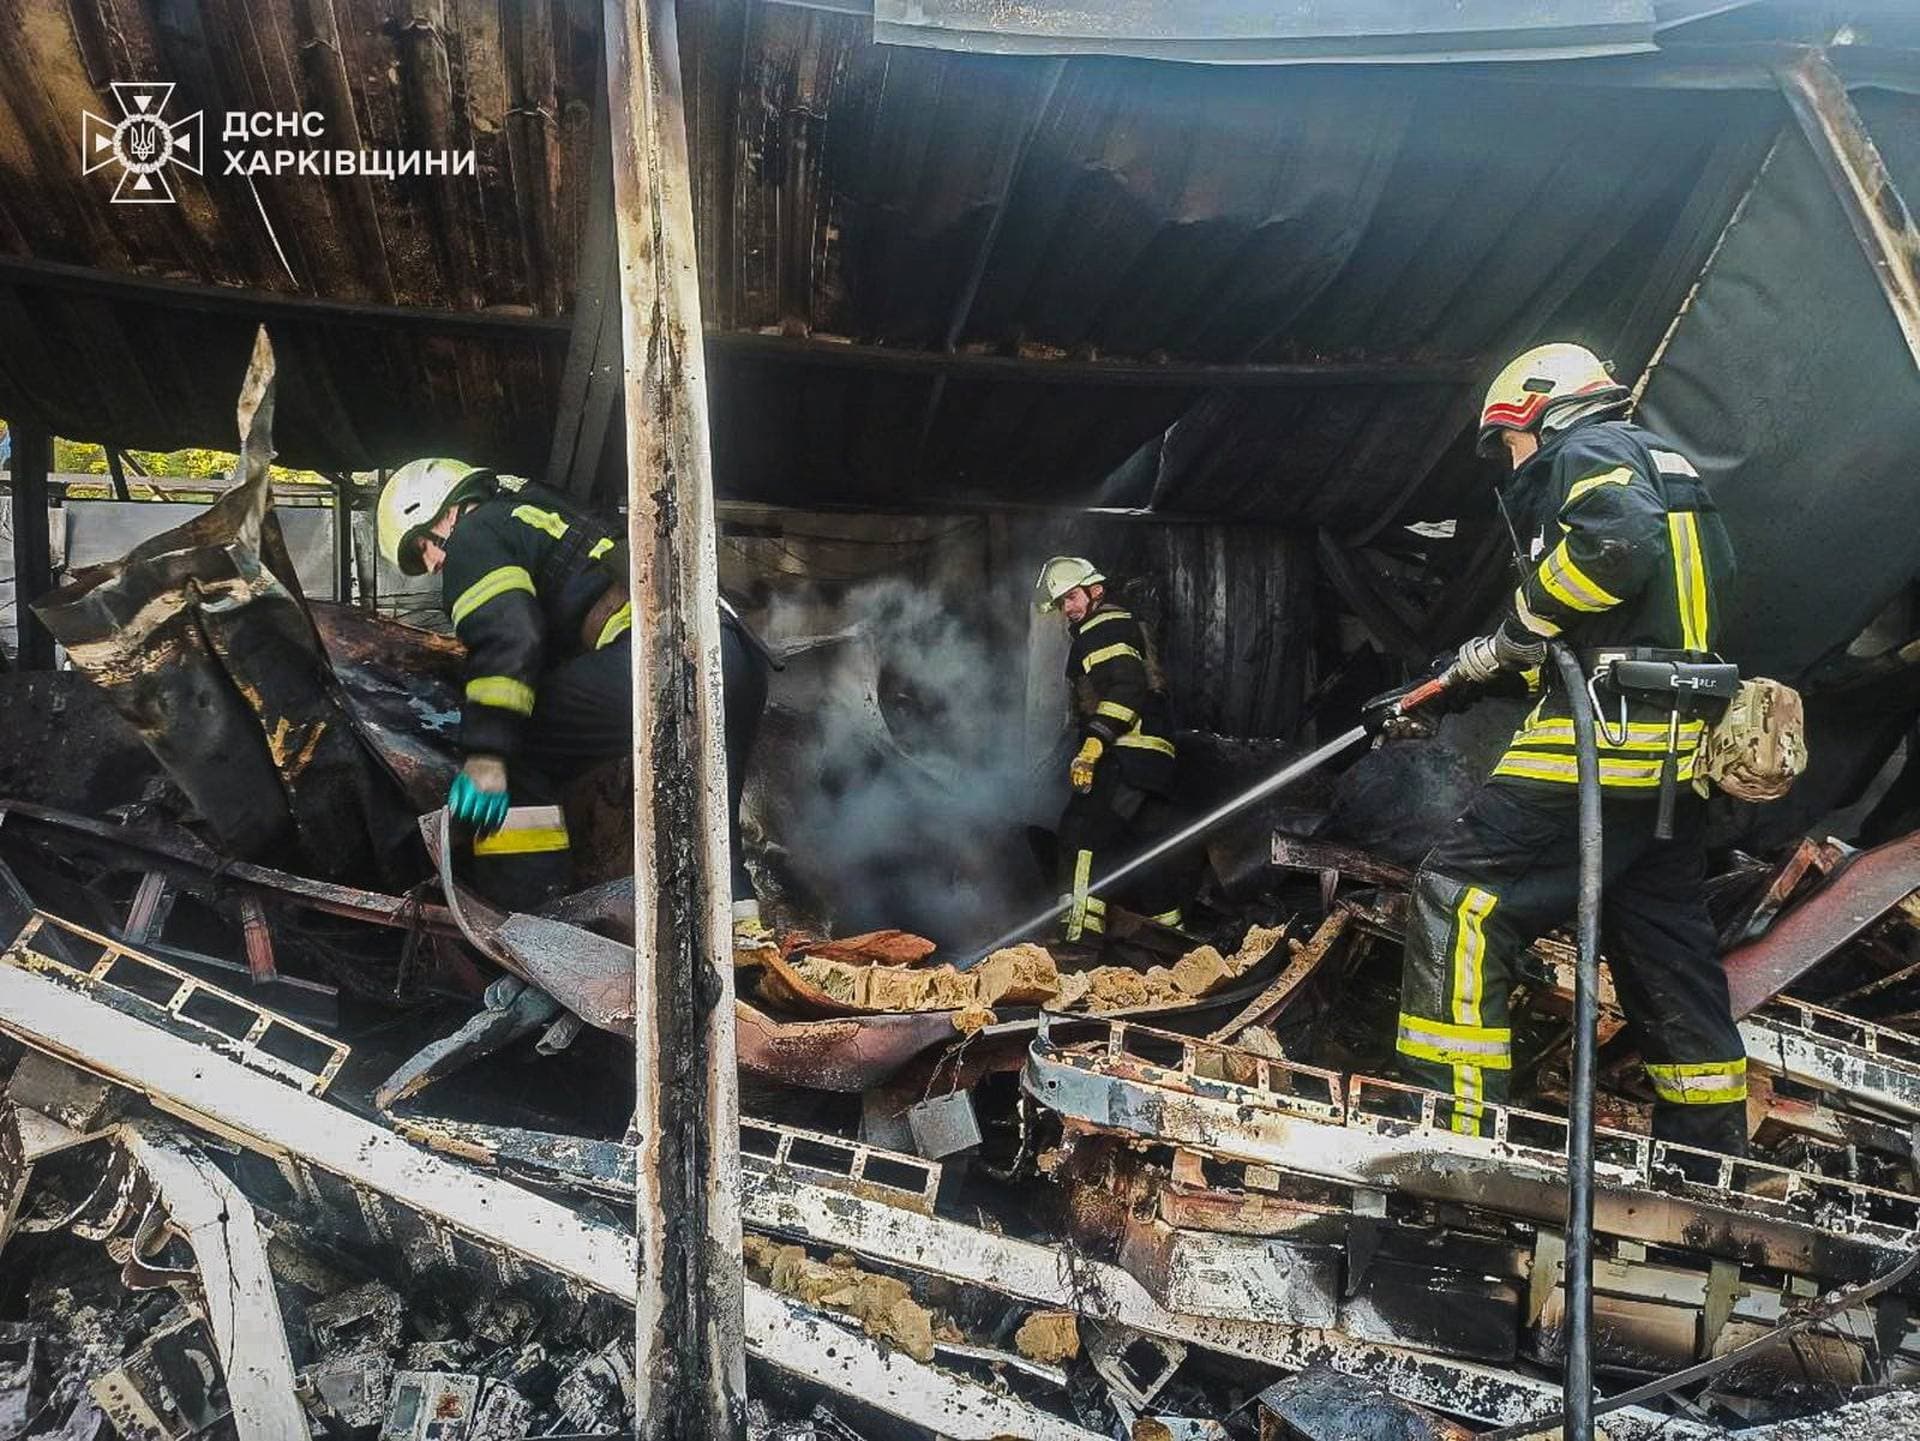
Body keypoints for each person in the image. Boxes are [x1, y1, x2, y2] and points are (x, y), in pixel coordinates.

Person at [1393, 343, 1748, 1156]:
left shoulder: (1588, 449)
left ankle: (1453, 1134)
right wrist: (1477, 670)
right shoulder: (1670, 464)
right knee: (1665, 943)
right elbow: (1643, 615)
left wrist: (1519, 625)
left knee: (1460, 897)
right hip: (1672, 762)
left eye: (1508, 440)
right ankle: (1710, 1156)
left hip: (1603, 752)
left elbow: (1616, 549)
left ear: (1542, 410)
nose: (1512, 460)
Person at [376, 459, 770, 934]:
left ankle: (530, 924)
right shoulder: (536, 513)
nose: (434, 563)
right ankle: (740, 937)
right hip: (734, 652)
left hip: (661, 657)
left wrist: (485, 755)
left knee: (518, 750)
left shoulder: (475, 535)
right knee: (714, 813)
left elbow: (510, 638)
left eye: (424, 545)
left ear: (450, 508)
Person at [1034, 556, 1185, 941]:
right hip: (1155, 759)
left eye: (1071, 598)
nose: (1068, 610)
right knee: (1146, 849)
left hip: (1125, 752)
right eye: (1062, 603)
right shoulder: (1128, 623)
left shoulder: (1101, 626)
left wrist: (1092, 746)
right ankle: (1171, 942)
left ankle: (1077, 937)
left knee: (1080, 832)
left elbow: (1126, 688)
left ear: (1095, 590)